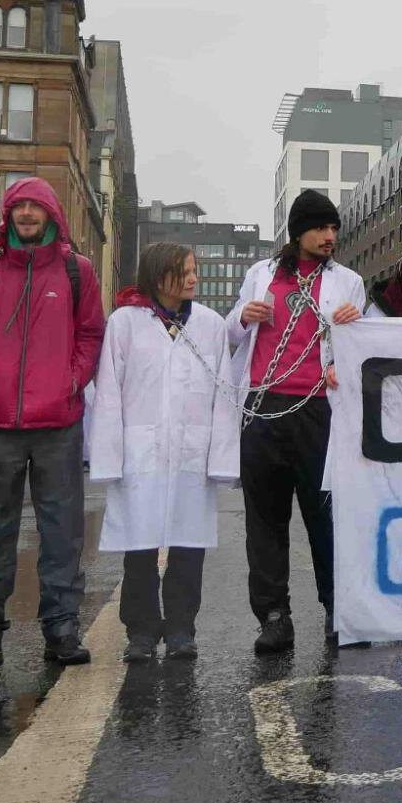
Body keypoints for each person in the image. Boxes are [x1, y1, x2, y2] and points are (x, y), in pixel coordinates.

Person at [0, 177, 106, 675]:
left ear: (52, 213)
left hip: (58, 422)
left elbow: (91, 335)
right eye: (19, 207)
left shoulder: (78, 272)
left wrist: (71, 381)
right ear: (8, 214)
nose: (27, 215)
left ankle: (61, 630)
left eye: (37, 207)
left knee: (61, 532)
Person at [228, 189, 366, 653]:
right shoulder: (260, 275)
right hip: (263, 406)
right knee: (265, 519)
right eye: (321, 229)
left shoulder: (348, 280)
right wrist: (243, 316)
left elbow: (361, 345)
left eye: (334, 229)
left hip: (319, 407)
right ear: (299, 231)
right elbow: (229, 334)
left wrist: (356, 321)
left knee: (325, 515)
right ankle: (274, 616)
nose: (330, 237)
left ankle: (336, 610)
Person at [91, 243, 241, 662]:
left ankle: (180, 629)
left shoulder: (210, 325)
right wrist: (107, 456)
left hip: (192, 452)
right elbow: (108, 393)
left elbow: (224, 395)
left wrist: (222, 459)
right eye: (185, 272)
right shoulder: (125, 323)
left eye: (195, 270)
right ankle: (140, 632)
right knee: (138, 547)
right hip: (141, 453)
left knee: (188, 546)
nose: (194, 278)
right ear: (159, 277)